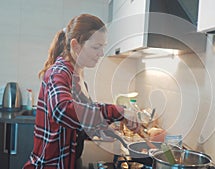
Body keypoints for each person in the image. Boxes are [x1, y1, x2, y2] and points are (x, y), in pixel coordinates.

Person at [23, 13, 139, 169]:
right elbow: (62, 110)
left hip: (67, 161)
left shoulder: (77, 77)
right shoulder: (58, 72)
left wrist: (104, 129)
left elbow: (79, 122)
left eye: (103, 47)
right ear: (75, 45)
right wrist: (116, 111)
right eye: (96, 47)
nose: (101, 53)